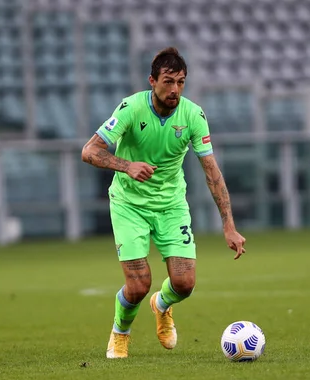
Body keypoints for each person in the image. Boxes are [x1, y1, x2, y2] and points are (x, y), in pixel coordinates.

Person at [81, 47, 246, 358]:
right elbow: (89, 151)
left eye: (181, 82)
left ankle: (162, 305)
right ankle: (120, 332)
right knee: (139, 284)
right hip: (129, 204)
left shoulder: (193, 116)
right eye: (168, 81)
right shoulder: (130, 108)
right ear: (152, 81)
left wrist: (229, 226)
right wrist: (127, 165)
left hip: (171, 205)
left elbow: (212, 172)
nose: (175, 90)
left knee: (184, 283)